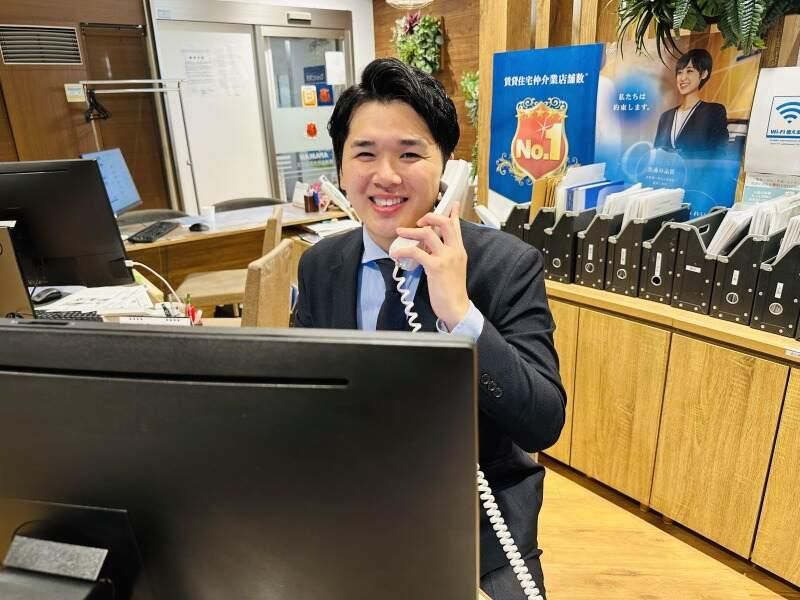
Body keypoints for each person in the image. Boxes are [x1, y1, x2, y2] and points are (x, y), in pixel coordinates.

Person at [293, 57, 565, 599]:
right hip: (352, 510)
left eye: (410, 154)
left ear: (446, 169)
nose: (386, 176)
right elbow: (301, 398)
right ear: (341, 169)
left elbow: (542, 423)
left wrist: (460, 313)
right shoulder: (320, 264)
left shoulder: (506, 265)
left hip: (478, 517)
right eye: (364, 153)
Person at [654, 48, 729, 157]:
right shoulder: (665, 117)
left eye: (689, 71)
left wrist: (682, 157)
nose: (682, 78)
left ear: (703, 74)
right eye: (679, 73)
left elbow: (719, 153)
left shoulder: (714, 111)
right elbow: (656, 153)